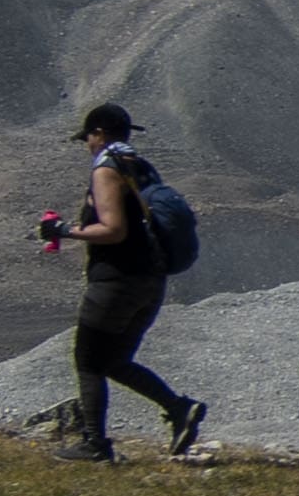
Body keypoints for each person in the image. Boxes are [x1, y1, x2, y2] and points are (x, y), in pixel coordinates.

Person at [55, 103, 206, 463]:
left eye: (89, 138)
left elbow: (112, 229)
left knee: (89, 361)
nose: (88, 145)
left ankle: (94, 444)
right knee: (116, 360)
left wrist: (64, 230)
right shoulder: (139, 166)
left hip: (116, 280)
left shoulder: (107, 168)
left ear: (100, 134)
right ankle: (179, 408)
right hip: (151, 281)